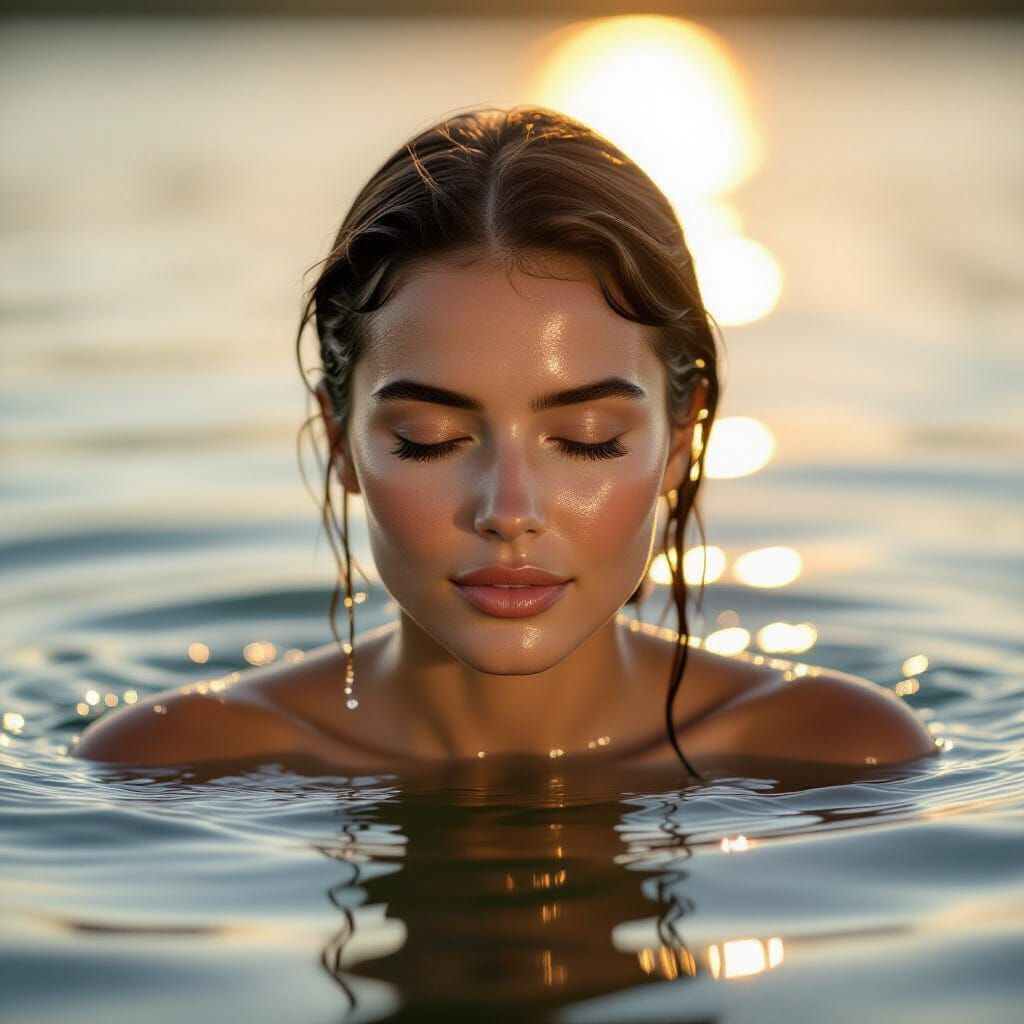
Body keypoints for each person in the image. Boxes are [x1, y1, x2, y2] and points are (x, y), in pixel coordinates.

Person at [73, 106, 936, 776]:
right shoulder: (172, 767)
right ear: (339, 441)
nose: (509, 512)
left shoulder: (840, 756)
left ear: (680, 439)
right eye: (429, 438)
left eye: (590, 439)